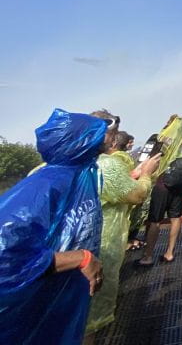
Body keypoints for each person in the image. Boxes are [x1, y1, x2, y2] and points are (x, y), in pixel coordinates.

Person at [0, 109, 109, 345]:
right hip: (31, 310)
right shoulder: (44, 186)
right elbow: (4, 253)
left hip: (63, 302)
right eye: (99, 134)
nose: (105, 138)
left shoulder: (82, 176)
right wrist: (80, 258)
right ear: (80, 142)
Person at [86, 122, 160, 339]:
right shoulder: (107, 166)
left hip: (70, 253)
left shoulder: (48, 168)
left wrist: (135, 173)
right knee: (90, 321)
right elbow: (136, 195)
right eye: (110, 134)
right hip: (100, 246)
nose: (112, 139)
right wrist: (146, 174)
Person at [138, 115, 182, 266]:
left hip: (163, 183)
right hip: (180, 185)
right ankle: (169, 252)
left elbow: (153, 157)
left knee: (155, 220)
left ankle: (148, 256)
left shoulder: (167, 139)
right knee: (176, 217)